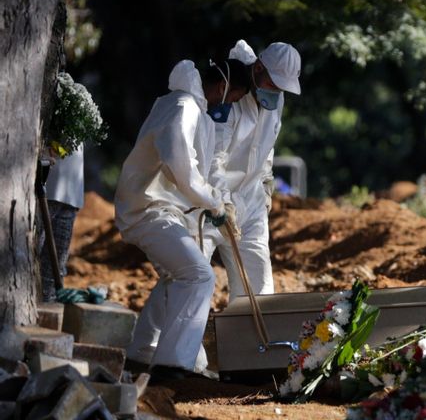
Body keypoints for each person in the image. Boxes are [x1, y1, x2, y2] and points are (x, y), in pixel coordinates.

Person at [115, 56, 250, 381]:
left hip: (157, 209)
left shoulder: (186, 106)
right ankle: (172, 366)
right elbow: (183, 169)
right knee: (199, 276)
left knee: (177, 277)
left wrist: (219, 203)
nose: (230, 105)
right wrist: (216, 205)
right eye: (234, 98)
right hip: (148, 210)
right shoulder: (184, 108)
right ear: (223, 87)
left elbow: (194, 171)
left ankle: (142, 353)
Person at [200, 40, 301, 300]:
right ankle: (152, 341)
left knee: (259, 286)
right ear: (257, 70)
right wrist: (221, 203)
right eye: (272, 84)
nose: (276, 92)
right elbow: (213, 157)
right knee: (191, 278)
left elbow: (267, 146)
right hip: (210, 201)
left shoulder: (275, 100)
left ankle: (248, 341)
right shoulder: (230, 94)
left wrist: (266, 182)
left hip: (251, 201)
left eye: (281, 88)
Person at [36, 146, 84, 301]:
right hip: (46, 185)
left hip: (70, 191)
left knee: (55, 266)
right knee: (32, 256)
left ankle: (49, 307)